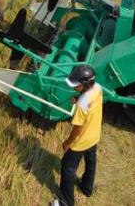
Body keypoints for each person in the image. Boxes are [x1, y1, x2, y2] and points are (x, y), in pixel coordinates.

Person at [50, 64, 102, 206]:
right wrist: (80, 97)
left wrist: (67, 142)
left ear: (85, 85)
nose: (73, 87)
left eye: (76, 85)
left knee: (67, 167)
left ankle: (66, 202)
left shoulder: (81, 105)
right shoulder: (97, 88)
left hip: (81, 141)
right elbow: (89, 101)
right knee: (91, 161)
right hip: (94, 134)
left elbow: (77, 129)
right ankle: (87, 188)